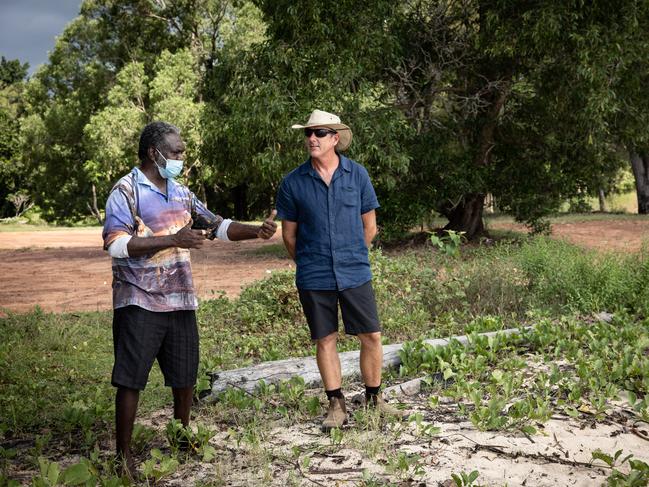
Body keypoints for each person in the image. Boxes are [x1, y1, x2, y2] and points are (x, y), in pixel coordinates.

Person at [102, 121, 277, 476]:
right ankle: (123, 458)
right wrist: (172, 240)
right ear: (155, 153)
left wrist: (255, 231)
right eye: (177, 151)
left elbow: (218, 226)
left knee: (184, 375)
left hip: (180, 299)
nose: (182, 157)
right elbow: (116, 243)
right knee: (131, 378)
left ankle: (180, 438)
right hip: (139, 298)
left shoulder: (182, 193)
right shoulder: (126, 191)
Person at [275, 109, 404, 432]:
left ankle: (375, 398)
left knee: (371, 335)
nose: (311, 139)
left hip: (354, 270)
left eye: (319, 133)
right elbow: (289, 235)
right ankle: (336, 404)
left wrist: (352, 254)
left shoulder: (357, 175)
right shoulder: (293, 182)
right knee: (325, 338)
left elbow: (369, 227)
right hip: (314, 272)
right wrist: (308, 260)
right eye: (308, 133)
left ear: (335, 138)